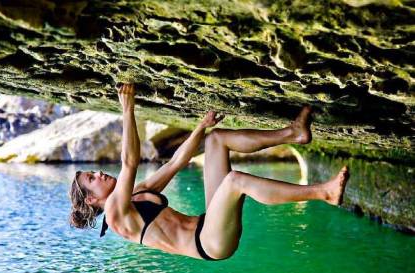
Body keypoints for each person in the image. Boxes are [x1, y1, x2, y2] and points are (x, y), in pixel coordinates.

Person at [69, 84, 349, 261]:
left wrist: (201, 128)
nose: (99, 175)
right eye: (92, 180)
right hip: (210, 244)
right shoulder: (118, 217)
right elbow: (129, 162)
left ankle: (294, 132)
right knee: (235, 180)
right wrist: (128, 109)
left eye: (93, 173)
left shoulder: (138, 193)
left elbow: (175, 163)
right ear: (92, 200)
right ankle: (323, 192)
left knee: (216, 140)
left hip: (208, 222)